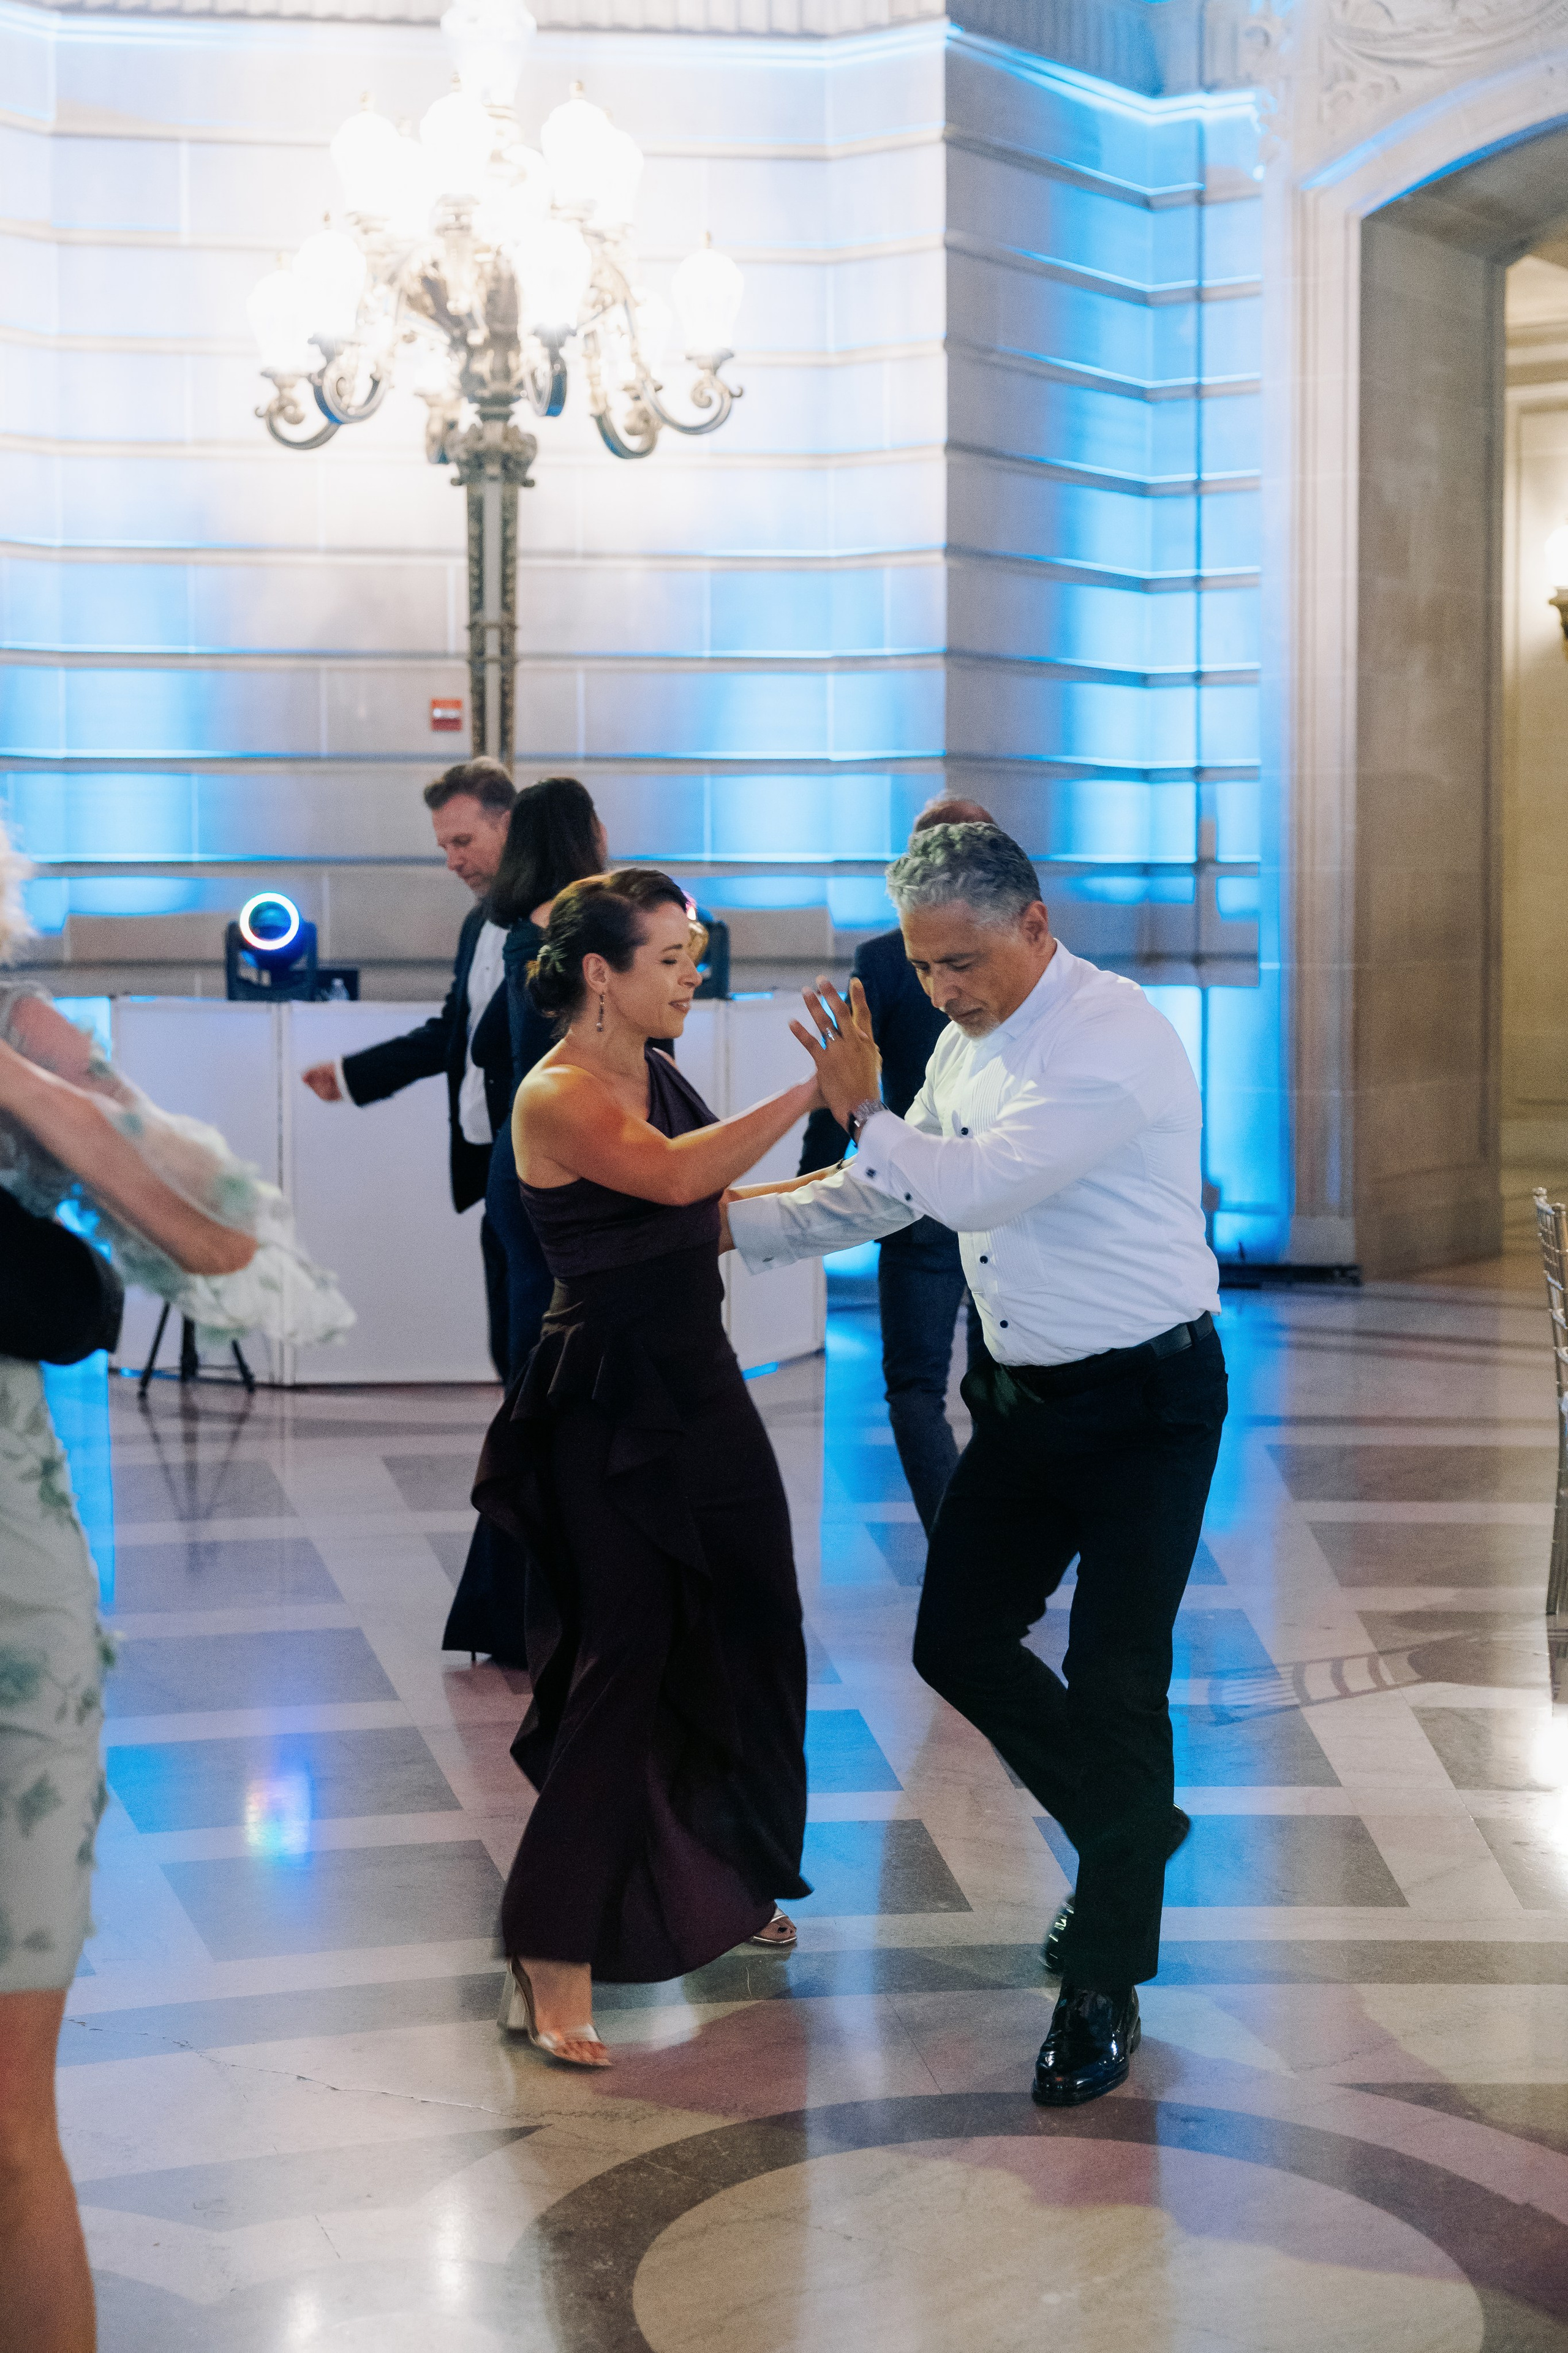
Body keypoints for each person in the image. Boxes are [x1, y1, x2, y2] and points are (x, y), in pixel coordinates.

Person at [725, 821, 1224, 2109]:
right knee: (953, 1636)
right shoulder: (959, 1045)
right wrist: (718, 1230)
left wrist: (864, 1107)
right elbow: (890, 1193)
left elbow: (978, 1189)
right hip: (1021, 1401)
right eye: (925, 967)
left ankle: (1101, 1976)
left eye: (960, 963)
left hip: (1149, 1405)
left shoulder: (1112, 1037)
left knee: (1115, 1681)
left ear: (1034, 925)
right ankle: (1129, 1831)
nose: (942, 990)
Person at [472, 869, 819, 2066]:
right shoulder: (559, 1092)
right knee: (625, 1665)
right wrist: (814, 1087)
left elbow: (702, 1215)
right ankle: (549, 1952)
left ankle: (731, 1876)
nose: (692, 975)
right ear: (598, 977)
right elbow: (679, 1179)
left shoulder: (654, 1070)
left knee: (756, 1628)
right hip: (609, 1405)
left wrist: (855, 1192)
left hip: (700, 1385)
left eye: (693, 953)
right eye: (670, 958)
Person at [0, 852, 266, 2353]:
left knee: (7, 2130)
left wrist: (27, 1085)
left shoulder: (30, 1036)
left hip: (6, 1609)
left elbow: (218, 1243)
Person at [797, 796, 995, 1535]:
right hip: (990, 1192)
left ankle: (955, 1543)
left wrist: (813, 1176)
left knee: (916, 1387)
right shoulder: (1019, 951)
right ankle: (988, 1544)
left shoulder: (882, 959)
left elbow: (843, 1083)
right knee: (994, 1383)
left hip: (917, 1199)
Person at [443, 778, 607, 1664]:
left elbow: (480, 1049)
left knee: (537, 1389)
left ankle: (517, 1609)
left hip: (521, 1169)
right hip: (558, 1174)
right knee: (555, 1393)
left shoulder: (518, 934)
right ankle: (535, 1612)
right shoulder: (574, 935)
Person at [300, 758, 517, 1377]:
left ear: (507, 824)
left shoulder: (556, 921)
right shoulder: (478, 924)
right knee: (508, 1345)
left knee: (535, 1347)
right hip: (490, 1163)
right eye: (444, 845)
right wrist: (351, 1074)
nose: (451, 860)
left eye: (463, 841)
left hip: (542, 1162)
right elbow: (455, 1031)